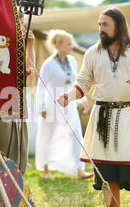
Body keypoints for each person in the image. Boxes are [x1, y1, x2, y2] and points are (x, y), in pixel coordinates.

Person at [57, 8, 130, 207]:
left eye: (105, 25)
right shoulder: (92, 53)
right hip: (103, 117)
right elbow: (83, 83)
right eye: (99, 25)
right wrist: (69, 95)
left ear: (118, 25)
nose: (100, 29)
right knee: (106, 169)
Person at [35, 29, 93, 180]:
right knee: (49, 136)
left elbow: (75, 83)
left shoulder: (72, 61)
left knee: (76, 135)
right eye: (68, 44)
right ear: (59, 45)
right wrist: (41, 107)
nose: (71, 46)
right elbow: (41, 86)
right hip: (52, 106)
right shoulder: (49, 64)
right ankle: (46, 170)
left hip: (69, 106)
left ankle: (80, 170)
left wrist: (82, 100)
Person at [0, 10, 34, 175]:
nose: (21, 27)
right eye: (19, 24)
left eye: (22, 24)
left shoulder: (18, 46)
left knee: (19, 152)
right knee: (1, 149)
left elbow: (29, 71)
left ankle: (15, 190)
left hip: (17, 104)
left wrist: (29, 45)